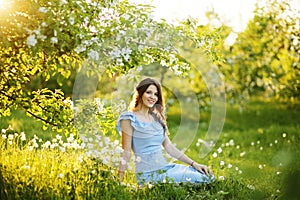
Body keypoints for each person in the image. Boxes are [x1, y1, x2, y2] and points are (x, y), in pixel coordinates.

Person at [116, 77, 214, 186]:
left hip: (167, 168)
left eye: (156, 94)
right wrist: (119, 181)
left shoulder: (156, 118)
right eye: (149, 92)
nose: (152, 97)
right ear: (140, 93)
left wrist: (194, 163)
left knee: (207, 175)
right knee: (202, 179)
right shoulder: (129, 118)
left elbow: (169, 147)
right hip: (149, 175)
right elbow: (126, 152)